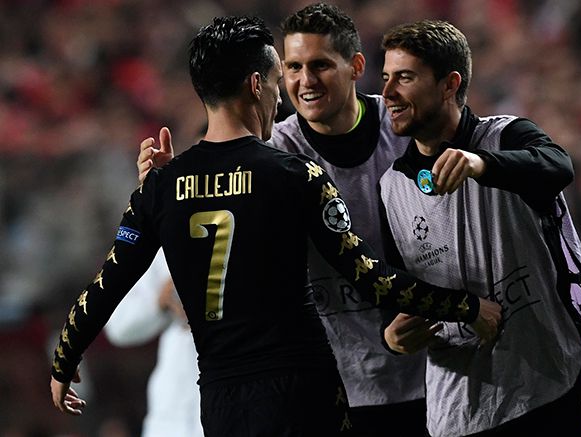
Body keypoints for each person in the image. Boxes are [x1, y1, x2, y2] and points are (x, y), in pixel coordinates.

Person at [49, 15, 502, 436]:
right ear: (255, 85)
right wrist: (463, 307)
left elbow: (107, 285)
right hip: (303, 392)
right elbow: (369, 278)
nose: (281, 95)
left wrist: (64, 361)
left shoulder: (161, 186)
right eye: (275, 80)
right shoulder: (293, 174)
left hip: (221, 402)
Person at [136, 4, 428, 435]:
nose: (304, 81)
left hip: (428, 372)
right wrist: (164, 192)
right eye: (292, 67)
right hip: (329, 389)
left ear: (356, 67)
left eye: (320, 65)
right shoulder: (272, 158)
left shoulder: (406, 131)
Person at [376, 20, 581, 436]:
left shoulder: (507, 136)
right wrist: (393, 337)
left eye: (404, 77)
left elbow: (558, 166)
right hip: (458, 413)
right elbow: (394, 296)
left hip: (547, 390)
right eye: (385, 78)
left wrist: (481, 164)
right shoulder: (391, 188)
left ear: (449, 84)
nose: (387, 93)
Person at [103, 249, 203, 437]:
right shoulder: (159, 235)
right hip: (173, 413)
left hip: (243, 393)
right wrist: (159, 301)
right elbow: (116, 324)